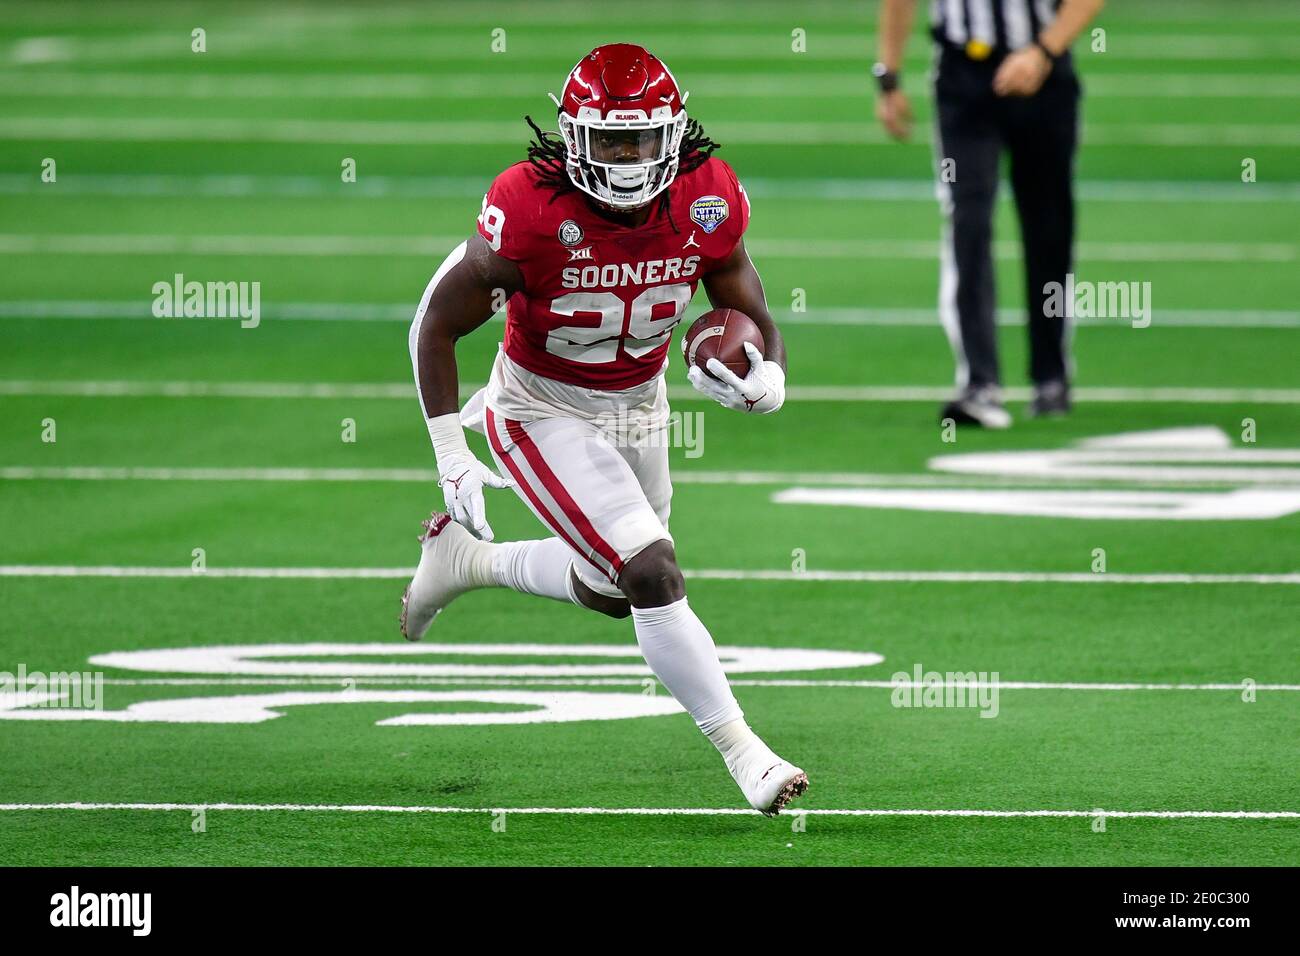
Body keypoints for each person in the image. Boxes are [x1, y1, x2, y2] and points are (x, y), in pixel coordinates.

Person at [402, 44, 806, 815]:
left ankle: (465, 563)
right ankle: (745, 753)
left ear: (674, 133)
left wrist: (767, 373)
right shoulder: (529, 208)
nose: (628, 158)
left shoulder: (703, 193)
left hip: (639, 401)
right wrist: (451, 451)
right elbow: (435, 326)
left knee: (614, 591)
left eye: (644, 139)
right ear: (573, 138)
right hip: (538, 408)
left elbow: (745, 305)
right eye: (612, 140)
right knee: (652, 572)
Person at [874, 0, 1105, 427]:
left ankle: (1051, 376)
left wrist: (1044, 52)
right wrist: (888, 75)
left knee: (1049, 227)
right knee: (969, 223)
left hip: (1046, 73)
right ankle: (979, 382)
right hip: (965, 76)